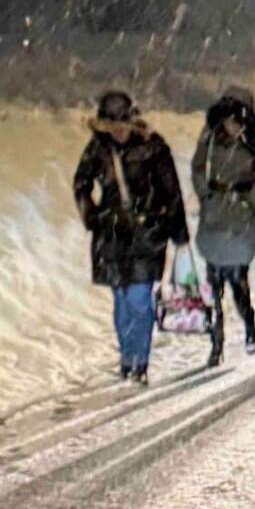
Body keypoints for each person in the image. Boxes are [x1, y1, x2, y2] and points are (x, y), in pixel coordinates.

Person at [73, 91, 189, 384]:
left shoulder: (154, 147)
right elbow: (81, 184)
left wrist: (178, 233)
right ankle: (127, 359)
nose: (118, 131)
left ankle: (140, 362)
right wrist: (93, 217)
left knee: (139, 300)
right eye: (111, 125)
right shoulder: (98, 149)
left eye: (121, 124)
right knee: (122, 303)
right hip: (110, 237)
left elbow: (171, 192)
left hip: (147, 235)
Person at [191, 86, 255, 366]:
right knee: (213, 284)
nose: (231, 124)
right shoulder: (211, 138)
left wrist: (249, 199)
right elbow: (198, 168)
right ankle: (217, 342)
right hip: (215, 214)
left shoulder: (254, 141)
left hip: (241, 219)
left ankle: (248, 321)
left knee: (238, 280)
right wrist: (206, 194)